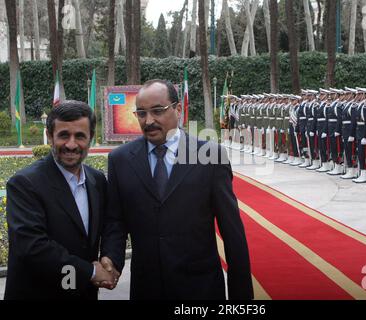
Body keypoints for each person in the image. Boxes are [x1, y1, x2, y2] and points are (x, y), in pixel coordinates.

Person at [100, 79, 253, 300]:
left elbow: (232, 233)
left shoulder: (211, 156)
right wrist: (112, 258)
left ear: (178, 109)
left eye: (157, 111)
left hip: (200, 288)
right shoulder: (120, 160)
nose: (149, 121)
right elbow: (115, 220)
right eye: (141, 113)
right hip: (146, 288)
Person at [4, 101, 114, 300]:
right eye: (64, 135)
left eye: (80, 136)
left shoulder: (97, 179)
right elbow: (33, 248)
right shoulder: (24, 183)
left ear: (90, 138)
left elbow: (110, 225)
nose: (71, 144)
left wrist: (110, 260)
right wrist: (90, 272)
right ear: (49, 136)